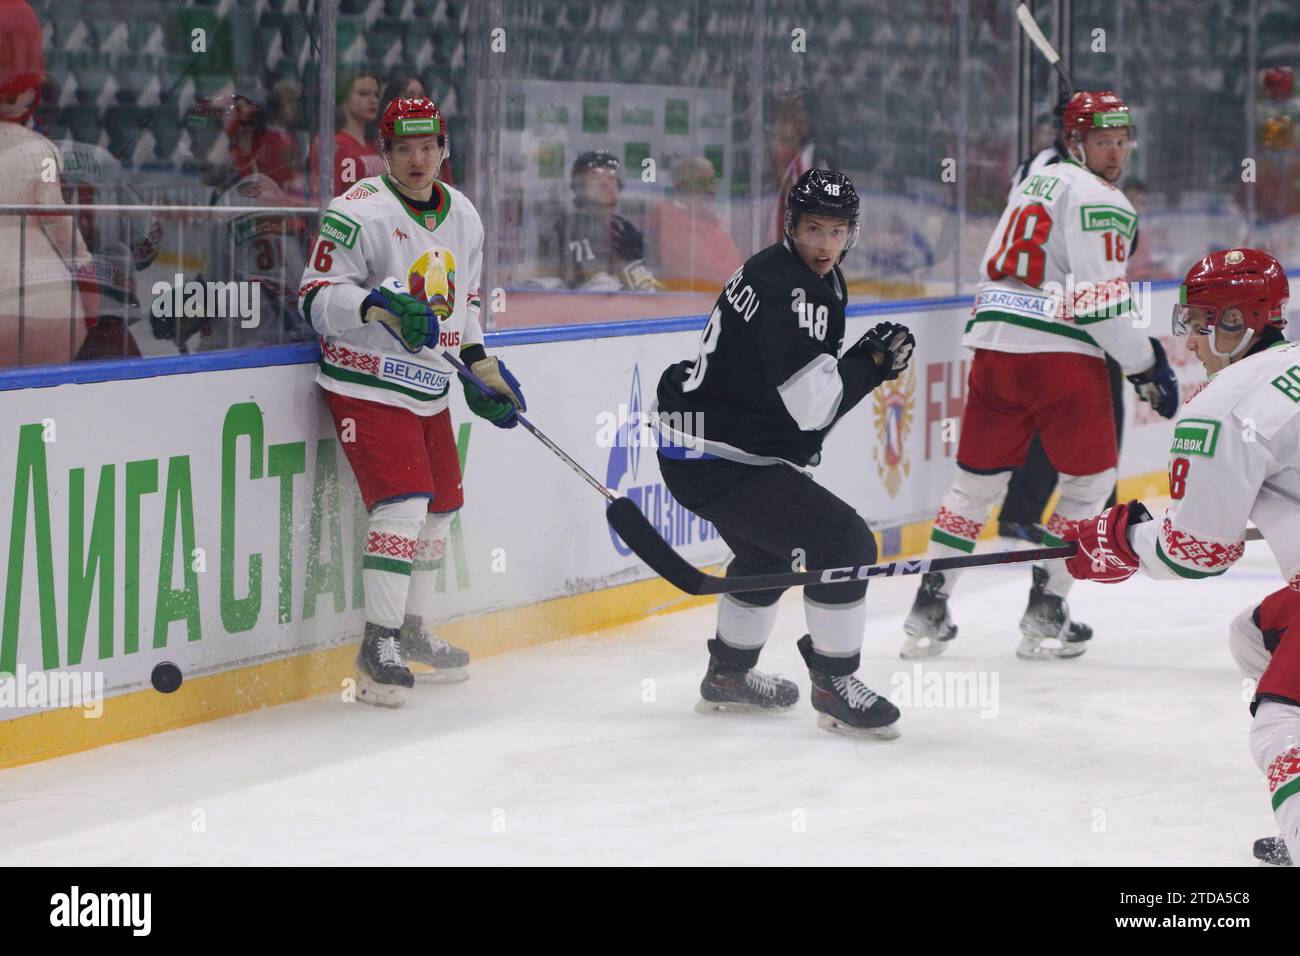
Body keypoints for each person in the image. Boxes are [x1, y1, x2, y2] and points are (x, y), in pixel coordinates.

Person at [900, 90, 1180, 661]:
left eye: (1123, 140)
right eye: (1103, 140)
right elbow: (1100, 303)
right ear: (1075, 141)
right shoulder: (1104, 199)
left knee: (973, 487)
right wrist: (1144, 363)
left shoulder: (1035, 181)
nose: (1116, 151)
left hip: (994, 351)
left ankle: (928, 607)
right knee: (1088, 484)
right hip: (1058, 360)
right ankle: (1046, 610)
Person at [654, 169, 915, 738]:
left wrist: (857, 370)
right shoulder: (794, 289)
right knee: (846, 544)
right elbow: (812, 409)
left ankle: (728, 676)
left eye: (837, 230)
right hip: (722, 458)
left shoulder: (786, 270)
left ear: (853, 232)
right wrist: (870, 368)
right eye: (813, 228)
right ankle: (835, 684)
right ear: (790, 225)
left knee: (768, 559)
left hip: (700, 449)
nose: (825, 244)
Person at [1063, 249, 1299, 866]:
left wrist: (1119, 539)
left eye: (1199, 323)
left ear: (1237, 322)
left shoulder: (1225, 406)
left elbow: (1198, 552)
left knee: (1282, 727)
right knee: (1256, 635)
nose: (1189, 340)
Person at [298, 97, 526, 707]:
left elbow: (467, 303)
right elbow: (315, 298)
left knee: (442, 507)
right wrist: (373, 306)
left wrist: (481, 368)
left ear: (443, 149)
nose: (418, 159)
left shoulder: (466, 215)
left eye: (428, 148)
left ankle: (414, 629)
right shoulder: (356, 211)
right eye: (404, 149)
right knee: (402, 504)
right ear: (385, 152)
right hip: (365, 382)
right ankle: (378, 645)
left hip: (429, 389)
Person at [548, 150, 659, 291]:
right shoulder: (568, 227)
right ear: (579, 187)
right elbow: (590, 283)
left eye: (612, 177)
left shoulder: (624, 227)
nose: (605, 183)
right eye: (594, 177)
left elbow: (645, 285)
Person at [646, 156, 743, 290]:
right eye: (702, 183)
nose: (711, 190)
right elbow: (702, 275)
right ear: (682, 187)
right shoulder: (672, 224)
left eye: (712, 182)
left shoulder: (711, 222)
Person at [308, 69, 384, 199]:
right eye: (363, 94)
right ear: (344, 98)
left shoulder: (373, 145)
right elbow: (332, 195)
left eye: (376, 95)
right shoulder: (336, 145)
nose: (373, 100)